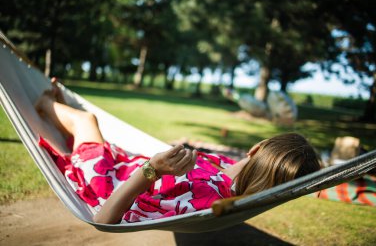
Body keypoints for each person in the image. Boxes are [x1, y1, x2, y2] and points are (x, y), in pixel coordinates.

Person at [36, 78, 321, 224]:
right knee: (87, 129)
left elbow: (104, 220)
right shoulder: (228, 176)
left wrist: (152, 170)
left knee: (87, 120)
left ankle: (46, 102)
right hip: (124, 163)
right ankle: (61, 115)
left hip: (107, 181)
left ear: (256, 148)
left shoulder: (208, 199)